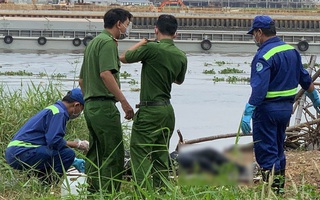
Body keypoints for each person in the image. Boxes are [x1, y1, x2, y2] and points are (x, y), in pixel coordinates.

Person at [241, 15, 320, 194]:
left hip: (267, 111)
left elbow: (259, 89)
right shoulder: (291, 51)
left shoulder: (263, 55)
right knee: (278, 150)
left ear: (259, 32)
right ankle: (280, 189)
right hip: (285, 110)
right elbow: (305, 78)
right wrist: (315, 99)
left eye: (254, 33)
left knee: (266, 152)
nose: (254, 38)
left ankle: (273, 192)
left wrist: (248, 111)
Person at [119, 14, 188, 189]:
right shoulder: (181, 55)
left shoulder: (152, 48)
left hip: (150, 111)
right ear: (176, 34)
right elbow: (179, 81)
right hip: (167, 111)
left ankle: (142, 193)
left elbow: (124, 57)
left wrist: (143, 42)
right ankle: (161, 192)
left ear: (156, 29)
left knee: (139, 152)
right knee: (160, 154)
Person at [79, 8, 134, 193]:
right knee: (113, 152)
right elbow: (105, 74)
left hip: (90, 106)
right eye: (126, 24)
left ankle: (94, 192)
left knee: (96, 151)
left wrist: (90, 97)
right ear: (118, 24)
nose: (126, 28)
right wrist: (124, 102)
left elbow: (81, 80)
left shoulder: (93, 42)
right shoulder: (109, 42)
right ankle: (109, 193)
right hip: (104, 106)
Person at [5, 88, 88, 184]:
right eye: (81, 109)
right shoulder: (59, 113)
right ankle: (48, 185)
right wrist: (78, 144)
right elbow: (54, 142)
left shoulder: (54, 109)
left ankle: (38, 182)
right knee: (68, 154)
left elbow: (49, 141)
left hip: (15, 152)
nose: (80, 113)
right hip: (23, 152)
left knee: (54, 153)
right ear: (76, 105)